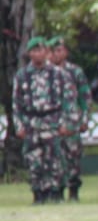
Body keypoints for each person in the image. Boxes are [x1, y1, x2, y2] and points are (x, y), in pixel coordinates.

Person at [11, 36, 75, 204]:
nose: (37, 54)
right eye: (33, 51)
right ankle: (38, 194)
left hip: (52, 122)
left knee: (54, 160)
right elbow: (16, 104)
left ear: (46, 52)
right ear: (29, 53)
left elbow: (68, 101)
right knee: (34, 161)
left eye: (40, 50)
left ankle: (54, 193)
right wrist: (19, 126)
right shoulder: (22, 75)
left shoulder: (59, 74)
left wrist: (67, 123)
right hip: (31, 124)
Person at [48, 36, 90, 201]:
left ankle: (73, 191)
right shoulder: (46, 73)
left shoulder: (75, 72)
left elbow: (85, 97)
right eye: (53, 51)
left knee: (73, 156)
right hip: (51, 122)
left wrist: (84, 119)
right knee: (53, 158)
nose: (56, 54)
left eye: (59, 50)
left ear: (65, 52)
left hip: (72, 122)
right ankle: (56, 191)